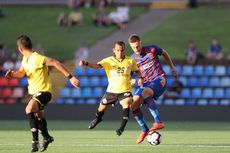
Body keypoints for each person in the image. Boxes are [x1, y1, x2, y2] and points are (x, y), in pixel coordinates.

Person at [5, 35, 80, 152]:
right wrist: (12, 75)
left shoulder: (37, 58)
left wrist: (70, 77)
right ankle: (47, 137)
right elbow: (21, 73)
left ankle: (34, 142)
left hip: (44, 92)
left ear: (20, 49)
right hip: (34, 93)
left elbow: (55, 62)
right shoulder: (25, 59)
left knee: (29, 109)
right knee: (39, 117)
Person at [79, 41, 142, 136]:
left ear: (124, 50)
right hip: (112, 91)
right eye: (118, 50)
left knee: (127, 103)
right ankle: (98, 118)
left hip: (125, 90)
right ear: (114, 50)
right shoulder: (108, 60)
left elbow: (136, 70)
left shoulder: (130, 60)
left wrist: (139, 78)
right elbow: (96, 65)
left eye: (122, 50)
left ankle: (121, 129)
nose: (120, 53)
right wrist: (86, 63)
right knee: (100, 109)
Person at [128, 34, 178, 144]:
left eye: (138, 46)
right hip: (146, 85)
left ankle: (158, 122)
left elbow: (164, 53)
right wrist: (133, 80)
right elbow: (130, 76)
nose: (136, 49)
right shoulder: (132, 59)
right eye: (133, 47)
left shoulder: (152, 49)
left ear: (141, 43)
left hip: (159, 80)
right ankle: (144, 129)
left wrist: (172, 67)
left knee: (144, 92)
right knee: (132, 104)